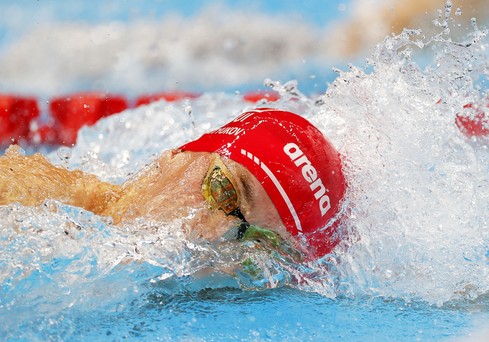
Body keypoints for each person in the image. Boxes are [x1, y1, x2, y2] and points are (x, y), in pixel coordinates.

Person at [0, 108, 347, 264]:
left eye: (253, 239)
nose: (212, 236)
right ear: (179, 154)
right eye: (223, 191)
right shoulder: (26, 200)